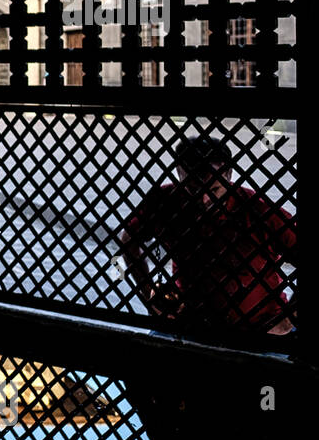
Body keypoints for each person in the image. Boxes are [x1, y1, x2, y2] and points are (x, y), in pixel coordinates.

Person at [118, 135, 297, 342]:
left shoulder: (258, 211)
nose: (203, 200)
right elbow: (129, 240)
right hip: (190, 324)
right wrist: (147, 291)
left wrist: (288, 320)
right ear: (179, 173)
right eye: (193, 189)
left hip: (259, 332)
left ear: (229, 175)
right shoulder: (165, 202)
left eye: (214, 190)